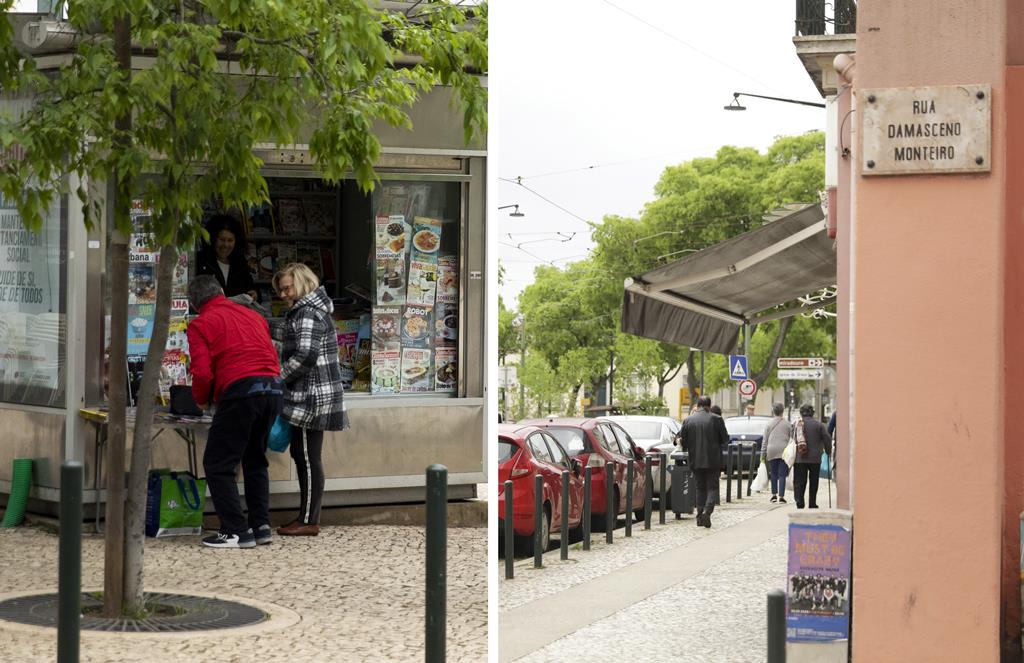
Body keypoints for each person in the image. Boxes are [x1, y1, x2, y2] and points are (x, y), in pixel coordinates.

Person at [186, 275, 283, 548]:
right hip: (273, 388)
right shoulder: (252, 314)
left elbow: (202, 372)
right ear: (221, 291)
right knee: (255, 459)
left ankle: (235, 530)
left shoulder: (200, 323)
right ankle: (260, 525)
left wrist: (201, 401)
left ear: (193, 304)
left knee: (218, 463)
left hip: (240, 391)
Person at [271, 263, 349, 536]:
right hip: (314, 394)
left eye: (287, 288)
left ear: (302, 283)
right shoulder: (312, 310)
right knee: (303, 454)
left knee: (306, 457)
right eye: (281, 290)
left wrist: (278, 377)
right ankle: (306, 517)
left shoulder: (307, 312)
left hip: (311, 397)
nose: (283, 294)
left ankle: (308, 520)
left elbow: (305, 355)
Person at [679, 396, 729, 528]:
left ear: (698, 405)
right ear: (709, 406)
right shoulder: (716, 419)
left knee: (699, 487)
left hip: (695, 459)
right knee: (712, 487)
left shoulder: (688, 420)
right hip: (713, 460)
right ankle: (707, 511)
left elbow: (683, 442)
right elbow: (725, 439)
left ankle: (700, 515)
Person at [196, 214, 257, 299]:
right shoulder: (200, 261)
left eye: (230, 240)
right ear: (212, 239)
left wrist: (255, 294)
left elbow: (251, 288)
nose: (226, 245)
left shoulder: (240, 263)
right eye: (222, 240)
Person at [792, 403, 830, 508]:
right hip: (815, 458)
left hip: (800, 457)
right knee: (814, 481)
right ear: (812, 413)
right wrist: (828, 450)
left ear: (801, 413)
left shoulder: (796, 424)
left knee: (799, 480)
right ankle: (812, 502)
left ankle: (799, 501)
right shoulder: (819, 425)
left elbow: (791, 438)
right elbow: (827, 438)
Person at [760, 402, 791, 503]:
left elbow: (765, 441)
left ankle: (774, 495)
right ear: (782, 411)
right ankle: (781, 496)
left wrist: (762, 455)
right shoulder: (787, 424)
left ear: (773, 411)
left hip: (771, 450)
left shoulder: (768, 424)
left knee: (773, 473)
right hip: (784, 451)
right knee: (782, 474)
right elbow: (791, 439)